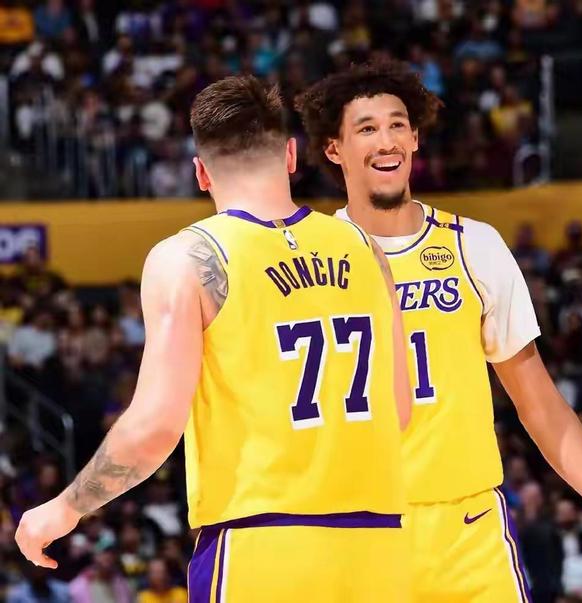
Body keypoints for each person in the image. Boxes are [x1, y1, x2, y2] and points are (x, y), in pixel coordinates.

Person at [15, 74, 412, 602]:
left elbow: (155, 426)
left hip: (261, 543)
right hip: (381, 547)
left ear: (201, 172)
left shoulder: (189, 258)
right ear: (291, 156)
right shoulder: (366, 248)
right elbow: (399, 407)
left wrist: (65, 507)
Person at [295, 59, 582, 603]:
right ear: (334, 149)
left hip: (467, 534)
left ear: (415, 139)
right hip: (353, 531)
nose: (386, 140)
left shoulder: (474, 245)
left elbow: (538, 402)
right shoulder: (307, 259)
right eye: (366, 129)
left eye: (397, 125)